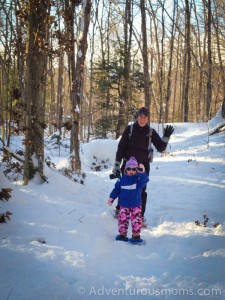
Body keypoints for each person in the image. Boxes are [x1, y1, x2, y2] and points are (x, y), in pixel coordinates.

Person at [111, 107, 174, 222]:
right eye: (140, 116)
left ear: (148, 118)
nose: (142, 119)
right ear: (137, 117)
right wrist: (116, 165)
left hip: (143, 166)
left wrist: (166, 137)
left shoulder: (151, 132)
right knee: (124, 187)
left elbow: (160, 147)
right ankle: (120, 209)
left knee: (141, 190)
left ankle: (139, 215)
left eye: (145, 117)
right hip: (128, 165)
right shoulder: (129, 130)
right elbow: (121, 147)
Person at [108, 156, 149, 241]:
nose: (131, 171)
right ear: (125, 169)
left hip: (136, 205)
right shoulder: (121, 180)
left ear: (136, 170)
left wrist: (142, 173)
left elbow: (145, 180)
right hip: (124, 205)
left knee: (136, 220)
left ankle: (136, 235)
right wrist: (111, 198)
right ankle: (122, 234)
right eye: (129, 169)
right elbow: (116, 189)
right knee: (123, 219)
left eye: (134, 169)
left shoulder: (138, 179)